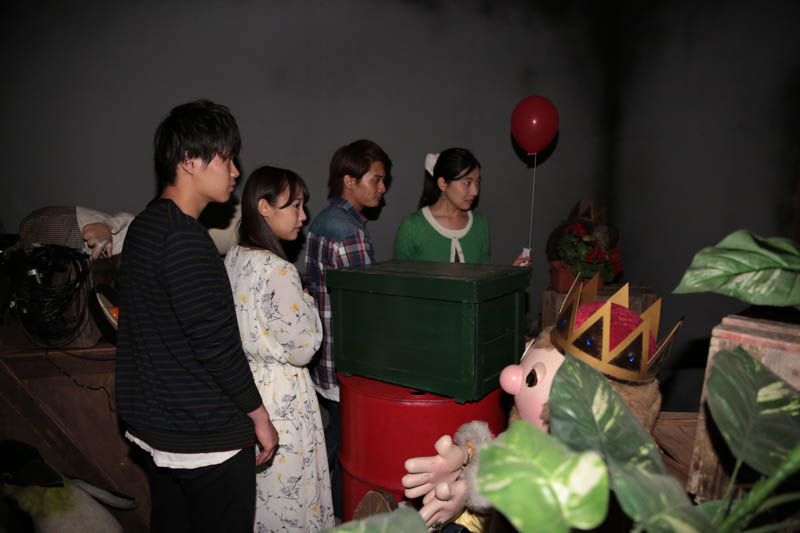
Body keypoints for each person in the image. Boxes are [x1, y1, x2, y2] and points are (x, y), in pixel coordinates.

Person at [115, 99, 278, 533]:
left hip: (160, 430)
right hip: (205, 439)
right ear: (189, 160)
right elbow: (216, 346)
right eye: (226, 158)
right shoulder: (185, 239)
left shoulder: (146, 226)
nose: (235, 171)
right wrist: (259, 416)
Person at [224, 166, 334, 531]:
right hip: (283, 398)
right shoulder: (279, 271)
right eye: (295, 206)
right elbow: (303, 349)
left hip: (246, 390)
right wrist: (309, 303)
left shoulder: (235, 257)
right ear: (264, 208)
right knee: (292, 502)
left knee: (260, 501)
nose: (303, 216)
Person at [303, 139, 392, 518]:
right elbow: (364, 311)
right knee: (349, 446)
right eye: (376, 179)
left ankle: (317, 502)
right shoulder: (351, 233)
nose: (382, 188)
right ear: (349, 180)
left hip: (324, 357)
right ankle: (331, 510)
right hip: (347, 361)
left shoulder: (320, 222)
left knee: (335, 436)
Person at [393, 148, 529, 266]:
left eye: (477, 182)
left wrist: (512, 273)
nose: (475, 191)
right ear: (443, 184)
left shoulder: (480, 223)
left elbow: (483, 281)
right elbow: (398, 281)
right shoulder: (413, 226)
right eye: (467, 182)